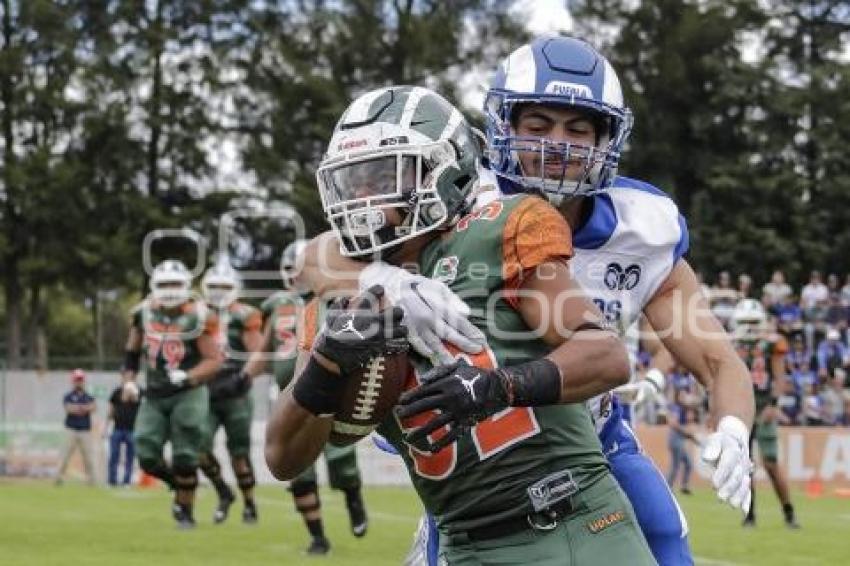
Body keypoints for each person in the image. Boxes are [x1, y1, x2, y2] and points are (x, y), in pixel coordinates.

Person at [266, 85, 657, 566]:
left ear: (442, 170)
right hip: (463, 546)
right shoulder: (339, 298)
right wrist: (327, 363)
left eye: (380, 176)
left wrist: (498, 386)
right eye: (351, 183)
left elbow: (607, 356)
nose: (362, 199)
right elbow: (282, 457)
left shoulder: (502, 229)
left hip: (572, 522)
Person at [479, 35, 757, 564]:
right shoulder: (463, 203)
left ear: (607, 140)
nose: (557, 145)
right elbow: (324, 256)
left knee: (666, 545)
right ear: (506, 128)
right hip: (481, 450)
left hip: (593, 439)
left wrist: (733, 429)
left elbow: (721, 362)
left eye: (578, 129)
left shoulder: (642, 229)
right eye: (538, 126)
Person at [243, 240, 368, 555]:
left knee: (341, 462)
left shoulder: (333, 299)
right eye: (290, 269)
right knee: (298, 471)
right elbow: (264, 352)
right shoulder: (277, 304)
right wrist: (241, 377)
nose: (296, 275)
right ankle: (318, 538)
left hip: (328, 396)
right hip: (288, 397)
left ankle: (353, 499)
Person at [123, 259, 223, 528]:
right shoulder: (143, 313)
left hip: (187, 391)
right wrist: (128, 382)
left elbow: (214, 359)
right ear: (154, 286)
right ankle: (178, 487)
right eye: (164, 284)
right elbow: (131, 353)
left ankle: (186, 512)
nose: (169, 290)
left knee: (185, 454)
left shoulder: (198, 315)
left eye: (174, 284)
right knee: (145, 454)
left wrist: (189, 376)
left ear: (186, 286)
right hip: (154, 394)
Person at [198, 259, 264, 524]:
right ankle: (224, 492)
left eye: (223, 286)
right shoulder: (196, 314)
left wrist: (242, 377)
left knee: (239, 454)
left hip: (235, 392)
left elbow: (259, 353)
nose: (217, 292)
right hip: (205, 392)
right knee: (198, 448)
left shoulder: (244, 315)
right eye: (213, 286)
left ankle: (249, 503)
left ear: (234, 287)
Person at [730, 299, 800, 528]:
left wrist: (774, 403)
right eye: (745, 322)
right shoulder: (731, 343)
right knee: (745, 463)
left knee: (770, 462)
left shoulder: (772, 343)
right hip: (742, 407)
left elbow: (780, 377)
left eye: (753, 322)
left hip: (763, 405)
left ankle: (789, 511)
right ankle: (749, 514)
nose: (749, 327)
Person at [55, 369, 97, 486]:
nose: (79, 382)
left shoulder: (88, 396)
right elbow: (69, 408)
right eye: (77, 380)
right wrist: (83, 408)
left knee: (88, 457)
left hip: (85, 430)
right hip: (71, 429)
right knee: (65, 456)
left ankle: (91, 481)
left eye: (80, 380)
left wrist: (79, 408)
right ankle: (58, 478)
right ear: (73, 381)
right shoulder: (68, 396)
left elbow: (93, 407)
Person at [105, 380, 141, 486]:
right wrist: (106, 426)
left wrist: (133, 396)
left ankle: (127, 480)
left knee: (130, 457)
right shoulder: (118, 396)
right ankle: (112, 480)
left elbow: (140, 405)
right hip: (117, 429)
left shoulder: (136, 401)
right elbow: (111, 411)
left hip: (131, 430)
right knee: (114, 455)